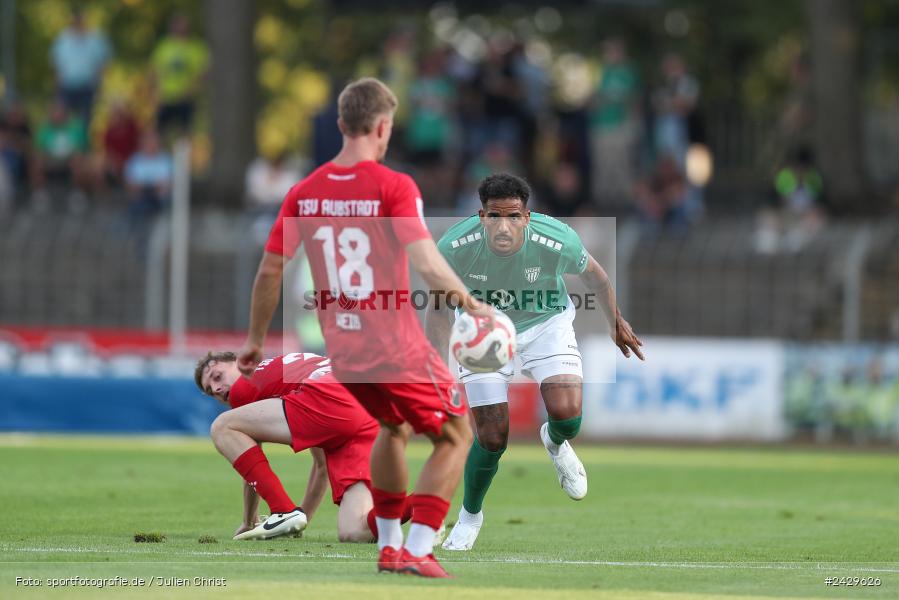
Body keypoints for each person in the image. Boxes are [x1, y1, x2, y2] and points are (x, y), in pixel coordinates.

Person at [238, 77, 494, 578]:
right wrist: (471, 302)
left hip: (345, 353)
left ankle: (391, 544)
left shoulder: (303, 193)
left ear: (340, 125)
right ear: (383, 127)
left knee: (392, 429)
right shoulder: (394, 186)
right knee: (458, 434)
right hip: (395, 345)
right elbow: (425, 260)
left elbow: (270, 270)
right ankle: (418, 547)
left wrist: (253, 341)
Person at [427, 173, 644, 551]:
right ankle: (469, 516)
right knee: (493, 437)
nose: (504, 226)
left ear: (527, 217)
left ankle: (556, 442)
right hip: (484, 330)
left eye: (513, 216)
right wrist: (437, 370)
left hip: (546, 324)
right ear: (481, 217)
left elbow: (597, 276)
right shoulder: (454, 247)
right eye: (495, 217)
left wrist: (615, 322)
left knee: (568, 415)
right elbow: (439, 308)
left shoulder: (557, 239)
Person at [196, 351, 414, 542]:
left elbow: (248, 461)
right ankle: (421, 503)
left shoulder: (245, 384)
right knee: (354, 531)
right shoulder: (287, 370)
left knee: (221, 427)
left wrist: (248, 520)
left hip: (334, 397)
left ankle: (282, 510)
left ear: (241, 362)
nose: (216, 388)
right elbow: (321, 468)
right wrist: (301, 519)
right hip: (365, 407)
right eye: (209, 389)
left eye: (217, 376)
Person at [150, 14, 210, 138]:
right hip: (166, 97)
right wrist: (157, 93)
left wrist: (192, 90)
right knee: (160, 132)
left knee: (185, 132)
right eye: (177, 25)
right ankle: (162, 155)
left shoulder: (195, 47)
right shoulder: (164, 47)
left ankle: (184, 156)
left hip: (186, 98)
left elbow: (203, 73)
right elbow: (155, 71)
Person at [50, 9, 112, 127]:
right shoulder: (62, 40)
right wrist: (57, 88)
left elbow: (103, 63)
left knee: (85, 119)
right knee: (65, 118)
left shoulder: (95, 39)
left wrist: (100, 84)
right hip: (67, 85)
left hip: (87, 85)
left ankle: (83, 143)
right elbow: (56, 66)